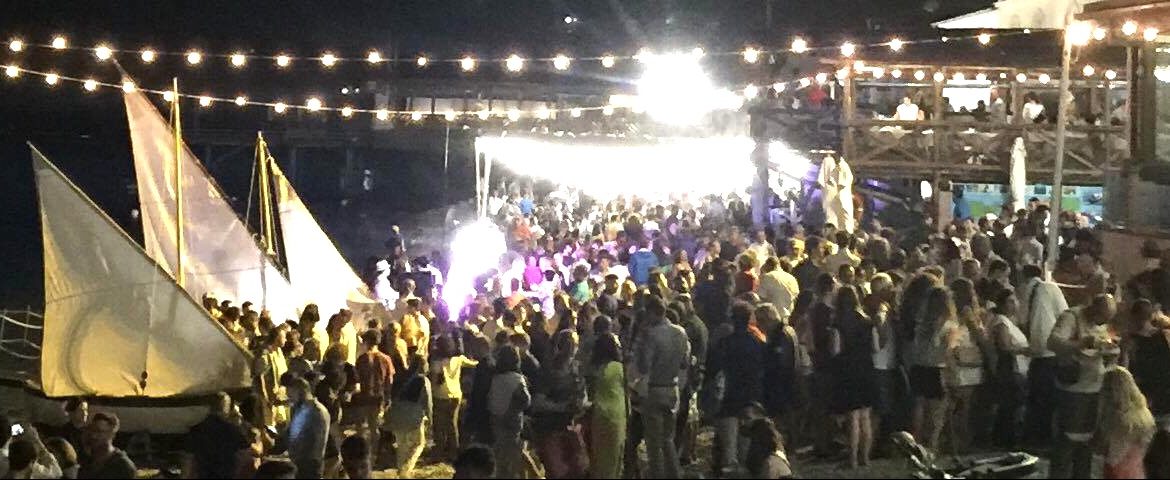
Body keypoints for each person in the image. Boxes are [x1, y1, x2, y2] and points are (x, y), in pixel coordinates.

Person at [1048, 293, 1119, 479]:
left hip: (1094, 387)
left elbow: (1102, 344)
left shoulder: (1100, 324)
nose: (1102, 322)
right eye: (1102, 317)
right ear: (1094, 308)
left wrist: (1110, 352)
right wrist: (1081, 343)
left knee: (1087, 441)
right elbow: (1053, 342)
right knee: (1068, 440)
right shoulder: (1071, 317)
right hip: (1073, 390)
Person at [636, 295, 691, 479]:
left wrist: (641, 345)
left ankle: (657, 475)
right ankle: (675, 474)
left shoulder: (652, 334)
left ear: (652, 312)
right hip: (673, 388)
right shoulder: (681, 332)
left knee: (653, 442)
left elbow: (644, 366)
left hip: (655, 389)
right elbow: (684, 363)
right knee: (668, 439)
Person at [708, 301, 765, 476]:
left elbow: (713, 369)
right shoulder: (757, 342)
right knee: (746, 451)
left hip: (729, 400)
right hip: (750, 400)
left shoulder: (725, 343)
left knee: (729, 452)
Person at [1019, 264, 1069, 448]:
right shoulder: (1050, 288)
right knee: (1048, 400)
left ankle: (1032, 438)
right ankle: (1044, 440)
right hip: (1051, 352)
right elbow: (1065, 314)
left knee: (1035, 400)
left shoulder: (1025, 292)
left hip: (1036, 354)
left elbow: (1023, 321)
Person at [830, 285, 879, 468]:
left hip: (848, 370)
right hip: (866, 368)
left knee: (852, 417)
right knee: (865, 416)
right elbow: (875, 347)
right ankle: (865, 457)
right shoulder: (867, 322)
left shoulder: (838, 324)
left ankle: (852, 459)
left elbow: (835, 350)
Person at [531, 330, 589, 478]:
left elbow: (582, 394)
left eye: (573, 344)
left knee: (578, 469)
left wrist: (581, 403)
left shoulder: (577, 369)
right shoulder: (548, 370)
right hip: (551, 428)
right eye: (567, 344)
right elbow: (538, 402)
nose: (570, 348)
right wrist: (561, 407)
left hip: (572, 427)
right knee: (558, 471)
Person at [911, 287, 958, 452]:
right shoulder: (948, 325)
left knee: (919, 409)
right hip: (937, 369)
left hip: (918, 367)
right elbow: (947, 352)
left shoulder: (921, 321)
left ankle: (916, 444)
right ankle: (932, 447)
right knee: (937, 414)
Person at [987, 288, 1030, 448]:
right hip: (1009, 368)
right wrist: (1024, 350)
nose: (1014, 305)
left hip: (1019, 367)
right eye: (1010, 302)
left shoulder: (1011, 322)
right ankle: (1005, 439)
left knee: (1013, 405)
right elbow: (1004, 346)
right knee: (1009, 405)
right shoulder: (1001, 322)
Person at [1097, 367, 1156, 479]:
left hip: (1119, 472)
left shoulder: (1120, 421)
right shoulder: (1144, 414)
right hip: (1138, 470)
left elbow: (1114, 458)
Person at [431, 336, 479, 461]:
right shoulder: (458, 359)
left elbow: (435, 382)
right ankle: (454, 452)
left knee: (440, 426)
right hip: (456, 395)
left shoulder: (437, 363)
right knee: (452, 425)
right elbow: (474, 364)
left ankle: (439, 452)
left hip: (440, 396)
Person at [489, 346, 533, 479]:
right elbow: (526, 400)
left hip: (496, 417)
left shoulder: (495, 377)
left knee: (501, 451)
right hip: (512, 418)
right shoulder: (517, 379)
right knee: (513, 452)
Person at [183, 392, 248, 479]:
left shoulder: (197, 429)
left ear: (210, 407)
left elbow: (189, 461)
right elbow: (244, 455)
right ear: (226, 408)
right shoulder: (232, 430)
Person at [588, 333, 627, 479]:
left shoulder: (594, 368)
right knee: (614, 458)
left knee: (600, 456)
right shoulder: (618, 368)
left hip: (598, 415)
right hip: (616, 416)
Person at [388, 354, 432, 477]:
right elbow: (427, 402)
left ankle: (400, 468)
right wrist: (430, 419)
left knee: (402, 444)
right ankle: (406, 469)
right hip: (413, 415)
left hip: (397, 413)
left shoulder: (402, 376)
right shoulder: (423, 380)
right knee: (419, 443)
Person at [353, 329, 394, 453]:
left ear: (365, 341)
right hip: (378, 397)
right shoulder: (386, 359)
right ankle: (374, 452)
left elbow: (357, 379)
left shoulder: (362, 359)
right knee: (374, 428)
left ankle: (362, 451)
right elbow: (389, 381)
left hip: (364, 396)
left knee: (360, 427)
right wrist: (388, 397)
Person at [281, 377, 330, 479]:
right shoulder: (300, 409)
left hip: (310, 466)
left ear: (301, 391)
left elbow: (314, 442)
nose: (290, 399)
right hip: (299, 463)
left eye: (291, 395)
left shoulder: (317, 411)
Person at [78, 413, 136, 479]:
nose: (93, 436)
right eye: (92, 430)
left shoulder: (123, 466)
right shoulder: (86, 462)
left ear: (112, 435)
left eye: (99, 432)